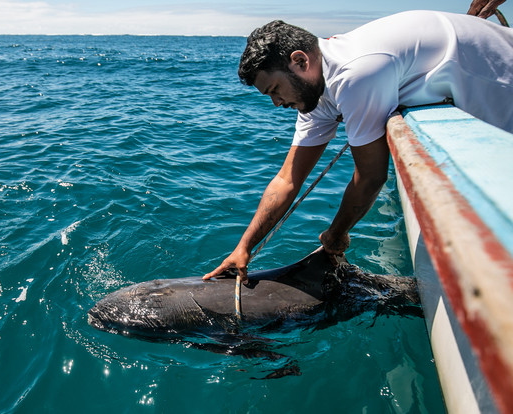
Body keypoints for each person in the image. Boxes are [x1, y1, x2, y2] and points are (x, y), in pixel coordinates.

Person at [204, 10, 513, 283]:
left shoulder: (354, 74)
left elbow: (370, 177)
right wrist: (243, 246)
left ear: (300, 61)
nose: (276, 103)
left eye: (275, 90)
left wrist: (335, 237)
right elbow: (287, 180)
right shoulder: (317, 91)